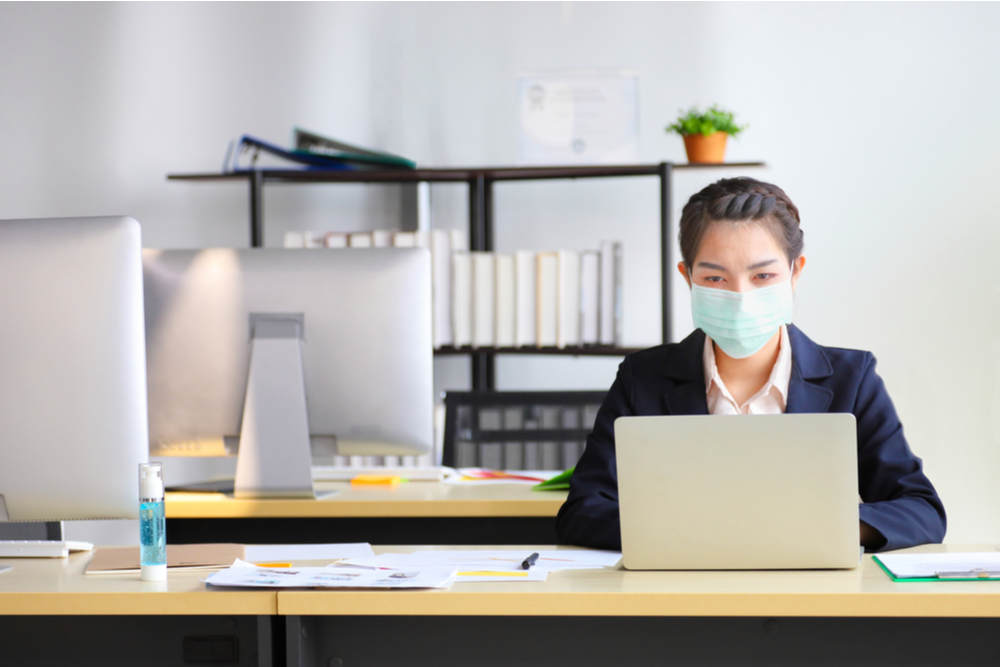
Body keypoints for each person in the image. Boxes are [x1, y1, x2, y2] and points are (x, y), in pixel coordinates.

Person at [556, 177, 946, 553]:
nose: (741, 296)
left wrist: (818, 528)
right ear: (688, 278)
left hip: (811, 603)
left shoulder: (852, 378)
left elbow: (920, 510)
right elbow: (583, 511)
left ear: (795, 273)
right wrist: (706, 531)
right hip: (679, 599)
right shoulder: (643, 378)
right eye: (715, 277)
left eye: (763, 275)